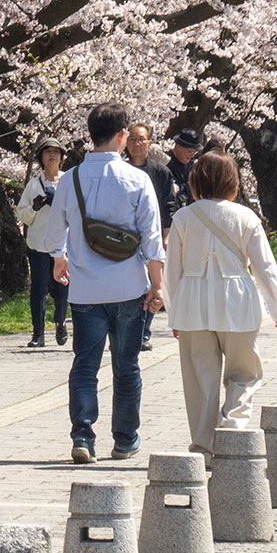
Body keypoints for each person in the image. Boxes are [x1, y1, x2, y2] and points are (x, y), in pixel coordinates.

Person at [47, 103, 166, 464]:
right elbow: (151, 238)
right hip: (129, 286)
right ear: (121, 136)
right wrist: (157, 285)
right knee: (126, 365)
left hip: (85, 289)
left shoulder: (70, 179)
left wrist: (59, 259)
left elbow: (55, 233)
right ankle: (125, 438)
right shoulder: (137, 179)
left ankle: (83, 435)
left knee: (85, 364)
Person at [167, 150, 277, 460]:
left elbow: (173, 273)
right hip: (237, 301)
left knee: (200, 381)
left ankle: (204, 447)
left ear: (196, 180)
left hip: (194, 306)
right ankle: (233, 428)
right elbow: (265, 269)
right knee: (244, 372)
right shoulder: (246, 217)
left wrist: (175, 314)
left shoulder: (183, 217)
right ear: (232, 181)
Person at [16, 137, 70, 348]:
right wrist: (36, 207)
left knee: (61, 289)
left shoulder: (68, 181)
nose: (52, 155)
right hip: (38, 244)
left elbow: (77, 213)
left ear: (62, 158)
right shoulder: (33, 184)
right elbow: (23, 215)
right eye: (47, 152)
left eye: (56, 152)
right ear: (41, 157)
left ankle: (61, 323)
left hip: (63, 246)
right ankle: (38, 334)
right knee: (38, 290)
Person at [124, 122, 173, 351]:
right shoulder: (120, 171)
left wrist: (166, 234)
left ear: (150, 143)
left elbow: (169, 205)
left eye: (141, 139)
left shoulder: (160, 172)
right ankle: (131, 329)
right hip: (126, 236)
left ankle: (145, 332)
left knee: (154, 284)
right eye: (132, 139)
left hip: (152, 236)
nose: (136, 144)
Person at [165, 129, 199, 226]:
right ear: (179, 147)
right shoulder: (165, 162)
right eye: (189, 151)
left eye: (194, 152)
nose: (191, 156)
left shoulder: (191, 166)